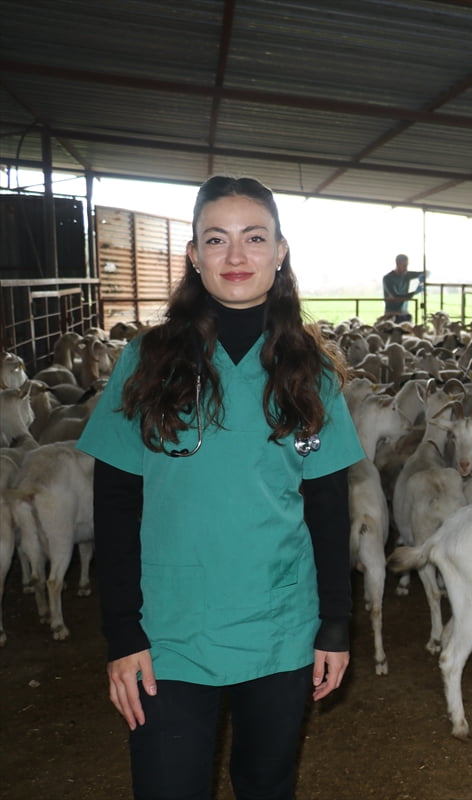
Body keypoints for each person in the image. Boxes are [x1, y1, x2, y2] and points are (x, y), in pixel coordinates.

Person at [76, 176, 365, 800]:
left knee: (266, 785)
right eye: (216, 239)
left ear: (280, 251)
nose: (236, 256)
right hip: (169, 628)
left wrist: (335, 622)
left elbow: (327, 505)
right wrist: (122, 632)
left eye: (254, 238)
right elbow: (116, 504)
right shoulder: (145, 360)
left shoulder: (310, 370)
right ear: (193, 254)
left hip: (280, 625)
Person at [382, 253, 425, 323]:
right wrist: (414, 292)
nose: (406, 268)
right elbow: (395, 297)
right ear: (397, 264)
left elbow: (427, 272)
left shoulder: (407, 274)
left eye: (407, 265)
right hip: (392, 314)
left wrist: (423, 276)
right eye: (404, 265)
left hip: (405, 313)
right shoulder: (388, 278)